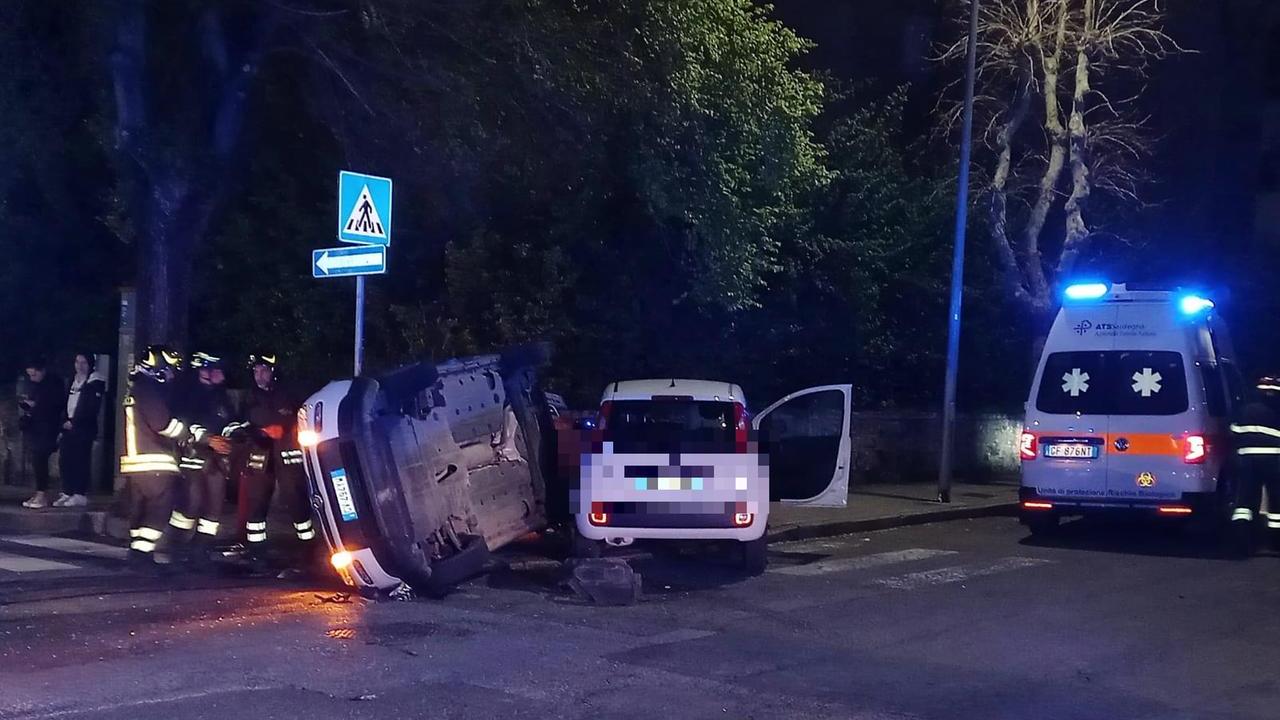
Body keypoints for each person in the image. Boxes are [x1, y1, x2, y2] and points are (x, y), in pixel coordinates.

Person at [223, 352, 316, 568]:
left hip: (287, 453)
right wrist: (257, 431)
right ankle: (257, 553)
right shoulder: (249, 397)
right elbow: (239, 423)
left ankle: (307, 550)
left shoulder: (289, 393)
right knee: (256, 502)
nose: (258, 375)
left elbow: (301, 417)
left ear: (273, 371)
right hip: (260, 453)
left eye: (263, 370)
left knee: (296, 501)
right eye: (255, 371)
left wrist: (283, 427)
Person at [120, 345, 189, 567]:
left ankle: (138, 552)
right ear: (158, 369)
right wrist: (187, 433)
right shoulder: (149, 390)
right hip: (154, 461)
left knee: (141, 509)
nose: (171, 375)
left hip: (136, 463)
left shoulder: (136, 388)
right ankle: (143, 554)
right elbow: (162, 424)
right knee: (161, 507)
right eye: (168, 369)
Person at [168, 352, 234, 566]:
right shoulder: (187, 393)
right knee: (191, 503)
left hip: (216, 460)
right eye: (217, 369)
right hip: (193, 456)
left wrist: (233, 436)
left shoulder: (220, 395)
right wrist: (208, 439)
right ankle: (176, 547)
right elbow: (183, 423)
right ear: (204, 371)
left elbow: (231, 420)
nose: (221, 374)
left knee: (214, 507)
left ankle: (201, 550)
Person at [1228, 375, 1280, 555]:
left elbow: (1233, 430)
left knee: (1245, 499)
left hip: (1247, 460)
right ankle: (1275, 543)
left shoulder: (1245, 409)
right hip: (1274, 460)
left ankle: (1241, 541)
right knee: (1276, 502)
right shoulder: (1277, 409)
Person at [53, 353, 107, 508]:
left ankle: (79, 493)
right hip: (67, 426)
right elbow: (65, 402)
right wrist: (64, 421)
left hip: (83, 428)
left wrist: (75, 422)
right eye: (77, 362)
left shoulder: (94, 381)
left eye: (83, 362)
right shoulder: (71, 380)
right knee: (65, 459)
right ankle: (67, 491)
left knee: (80, 460)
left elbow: (90, 407)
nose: (80, 366)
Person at [19, 359, 65, 509]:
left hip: (47, 427)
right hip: (36, 427)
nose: (32, 378)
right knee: (36, 459)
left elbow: (52, 406)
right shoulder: (36, 385)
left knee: (40, 458)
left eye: (34, 374)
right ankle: (39, 491)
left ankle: (42, 493)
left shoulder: (53, 385)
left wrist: (35, 406)